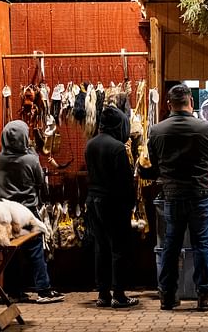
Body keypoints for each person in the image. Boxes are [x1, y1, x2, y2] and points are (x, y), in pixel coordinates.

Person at [147, 83, 208, 311]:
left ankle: (167, 296)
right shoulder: (206, 128)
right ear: (191, 102)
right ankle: (205, 295)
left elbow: (152, 165)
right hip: (200, 193)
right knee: (202, 245)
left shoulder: (156, 131)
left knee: (171, 246)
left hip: (171, 195)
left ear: (168, 104)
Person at [0, 120, 65, 304]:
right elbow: (39, 180)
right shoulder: (30, 159)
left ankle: (14, 291)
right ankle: (43, 289)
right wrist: (31, 152)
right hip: (27, 210)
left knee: (11, 252)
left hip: (6, 211)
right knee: (35, 250)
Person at [84, 105, 140, 308]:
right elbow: (124, 181)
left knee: (101, 247)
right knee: (119, 248)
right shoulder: (117, 147)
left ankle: (103, 294)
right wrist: (131, 203)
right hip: (113, 203)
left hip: (94, 201)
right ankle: (119, 294)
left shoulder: (90, 144)